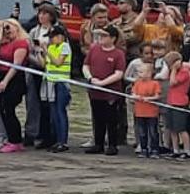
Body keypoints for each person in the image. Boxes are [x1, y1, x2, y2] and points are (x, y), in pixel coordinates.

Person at [82, 26, 128, 155]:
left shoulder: (118, 54)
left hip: (111, 93)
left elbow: (119, 73)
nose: (101, 38)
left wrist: (103, 83)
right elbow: (86, 66)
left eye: (104, 36)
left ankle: (112, 145)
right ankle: (98, 143)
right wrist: (91, 78)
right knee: (98, 118)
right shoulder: (94, 49)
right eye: (100, 36)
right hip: (95, 91)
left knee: (112, 120)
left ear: (113, 38)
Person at [0, 19, 30, 153]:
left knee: (8, 108)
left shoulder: (21, 43)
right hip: (2, 75)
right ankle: (12, 138)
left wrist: (5, 81)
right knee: (3, 108)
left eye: (10, 27)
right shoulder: (5, 43)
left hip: (14, 79)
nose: (8, 30)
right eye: (6, 28)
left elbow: (16, 65)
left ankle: (16, 140)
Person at [39, 26, 72, 151]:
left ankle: (63, 141)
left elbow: (58, 62)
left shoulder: (65, 46)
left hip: (61, 83)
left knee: (60, 112)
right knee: (53, 113)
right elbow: (44, 64)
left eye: (53, 37)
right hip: (50, 82)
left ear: (61, 36)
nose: (51, 40)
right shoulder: (51, 47)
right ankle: (57, 139)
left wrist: (46, 52)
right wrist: (40, 53)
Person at [163, 51, 190, 160]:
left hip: (180, 102)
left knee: (181, 128)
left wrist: (175, 70)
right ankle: (175, 150)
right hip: (171, 101)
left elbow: (173, 82)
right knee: (172, 128)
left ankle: (187, 150)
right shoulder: (172, 71)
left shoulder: (184, 72)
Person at [131, 62, 163, 158]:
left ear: (149, 73)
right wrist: (136, 97)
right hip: (140, 112)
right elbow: (133, 94)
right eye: (138, 72)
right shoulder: (137, 83)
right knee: (142, 132)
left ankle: (154, 149)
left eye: (141, 72)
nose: (139, 74)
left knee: (153, 132)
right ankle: (144, 149)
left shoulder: (155, 83)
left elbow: (157, 96)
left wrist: (148, 99)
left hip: (151, 113)